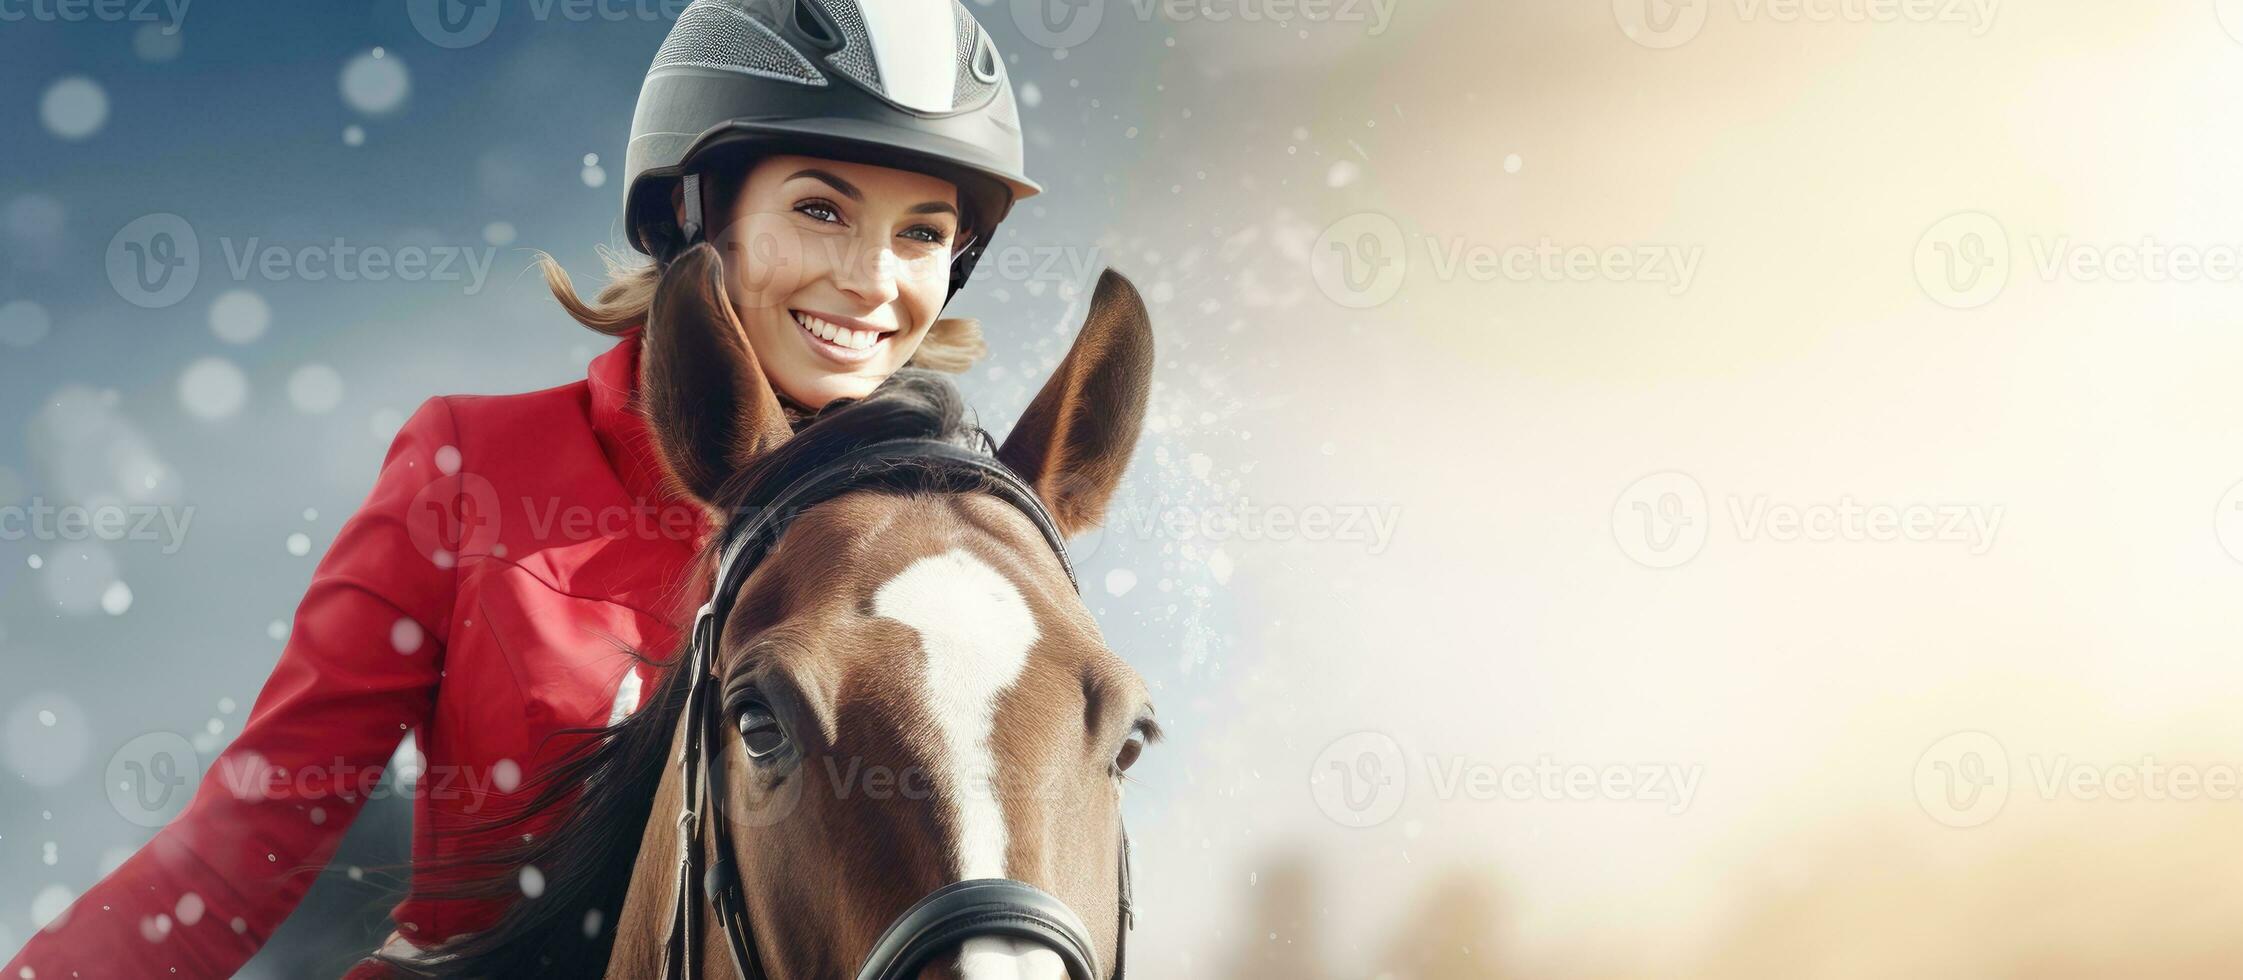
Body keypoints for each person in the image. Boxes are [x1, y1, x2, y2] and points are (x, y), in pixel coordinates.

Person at [3, 1, 1039, 974]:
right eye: (821, 207)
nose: (871, 278)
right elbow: (252, 839)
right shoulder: (472, 467)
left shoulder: (944, 551)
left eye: (921, 232)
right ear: (694, 211)